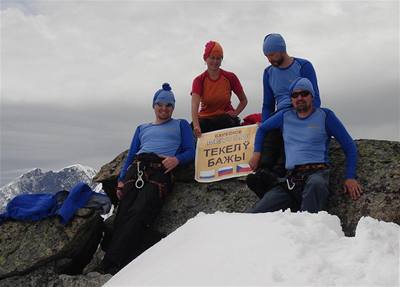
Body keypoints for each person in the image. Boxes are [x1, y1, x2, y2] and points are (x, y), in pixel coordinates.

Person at [98, 83, 195, 274]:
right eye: (160, 104)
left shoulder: (181, 124)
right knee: (124, 213)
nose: (164, 109)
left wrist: (177, 160)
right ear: (154, 105)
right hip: (137, 169)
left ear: (173, 108)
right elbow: (132, 155)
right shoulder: (142, 128)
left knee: (140, 211)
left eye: (168, 105)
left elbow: (191, 150)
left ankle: (113, 264)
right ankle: (115, 261)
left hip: (160, 170)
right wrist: (121, 179)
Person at [248, 77, 362, 213]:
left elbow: (349, 147)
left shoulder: (325, 115)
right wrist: (256, 153)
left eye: (304, 93)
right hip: (291, 179)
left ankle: (309, 224)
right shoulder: (284, 116)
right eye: (295, 95)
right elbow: (262, 129)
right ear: (291, 99)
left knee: (314, 188)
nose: (299, 97)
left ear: (312, 96)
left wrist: (350, 177)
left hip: (317, 174)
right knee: (254, 215)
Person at [247, 33, 321, 197]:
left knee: (288, 133)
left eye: (271, 54)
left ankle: (278, 176)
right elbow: (267, 105)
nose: (269, 59)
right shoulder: (268, 73)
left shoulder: (303, 66)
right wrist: (266, 125)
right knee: (270, 133)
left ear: (282, 50)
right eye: (266, 56)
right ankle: (264, 174)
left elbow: (316, 99)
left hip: (300, 112)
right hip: (278, 114)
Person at [191, 40, 248, 137]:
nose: (215, 61)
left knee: (228, 122)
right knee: (191, 130)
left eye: (218, 58)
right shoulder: (199, 80)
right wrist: (196, 126)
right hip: (206, 119)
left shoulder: (230, 77)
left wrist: (236, 112)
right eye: (212, 58)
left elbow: (244, 100)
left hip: (225, 119)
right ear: (205, 59)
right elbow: (194, 105)